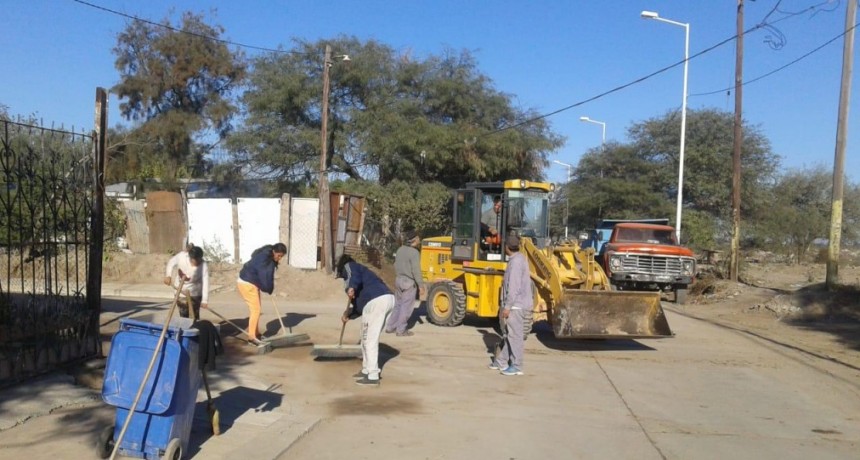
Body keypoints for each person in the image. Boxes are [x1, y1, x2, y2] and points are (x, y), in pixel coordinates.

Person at [335, 254, 395, 386]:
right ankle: (366, 369)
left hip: (377, 300)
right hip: (384, 299)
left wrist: (351, 286)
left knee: (369, 339)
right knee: (365, 336)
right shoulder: (364, 279)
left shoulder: (350, 266)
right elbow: (359, 308)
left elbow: (353, 276)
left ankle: (373, 376)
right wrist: (348, 314)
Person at [489, 234, 533, 376]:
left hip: (515, 305)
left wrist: (507, 307)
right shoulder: (519, 258)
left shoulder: (515, 263)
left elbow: (513, 287)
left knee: (515, 336)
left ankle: (517, 365)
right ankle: (501, 361)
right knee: (510, 335)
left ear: (506, 247)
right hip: (517, 304)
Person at [237, 243, 287, 342]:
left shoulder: (265, 253)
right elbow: (266, 276)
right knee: (256, 310)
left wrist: (267, 288)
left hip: (249, 281)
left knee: (256, 309)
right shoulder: (266, 261)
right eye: (279, 255)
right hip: (247, 283)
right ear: (274, 251)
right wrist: (269, 288)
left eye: (282, 256)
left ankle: (256, 333)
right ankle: (252, 337)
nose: (280, 258)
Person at [386, 230, 424, 336]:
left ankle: (390, 326)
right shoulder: (415, 253)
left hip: (398, 280)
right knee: (406, 307)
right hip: (409, 282)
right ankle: (401, 330)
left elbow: (395, 265)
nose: (419, 240)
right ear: (415, 239)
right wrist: (421, 285)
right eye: (418, 238)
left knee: (398, 305)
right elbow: (416, 270)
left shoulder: (400, 250)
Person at [164, 243, 209, 319]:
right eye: (196, 261)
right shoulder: (182, 257)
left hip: (195, 293)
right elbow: (171, 262)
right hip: (181, 291)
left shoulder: (203, 266)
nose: (198, 262)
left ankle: (195, 329)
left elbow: (205, 283)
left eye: (199, 260)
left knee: (195, 316)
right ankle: (185, 329)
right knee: (183, 315)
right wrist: (168, 275)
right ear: (191, 258)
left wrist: (205, 300)